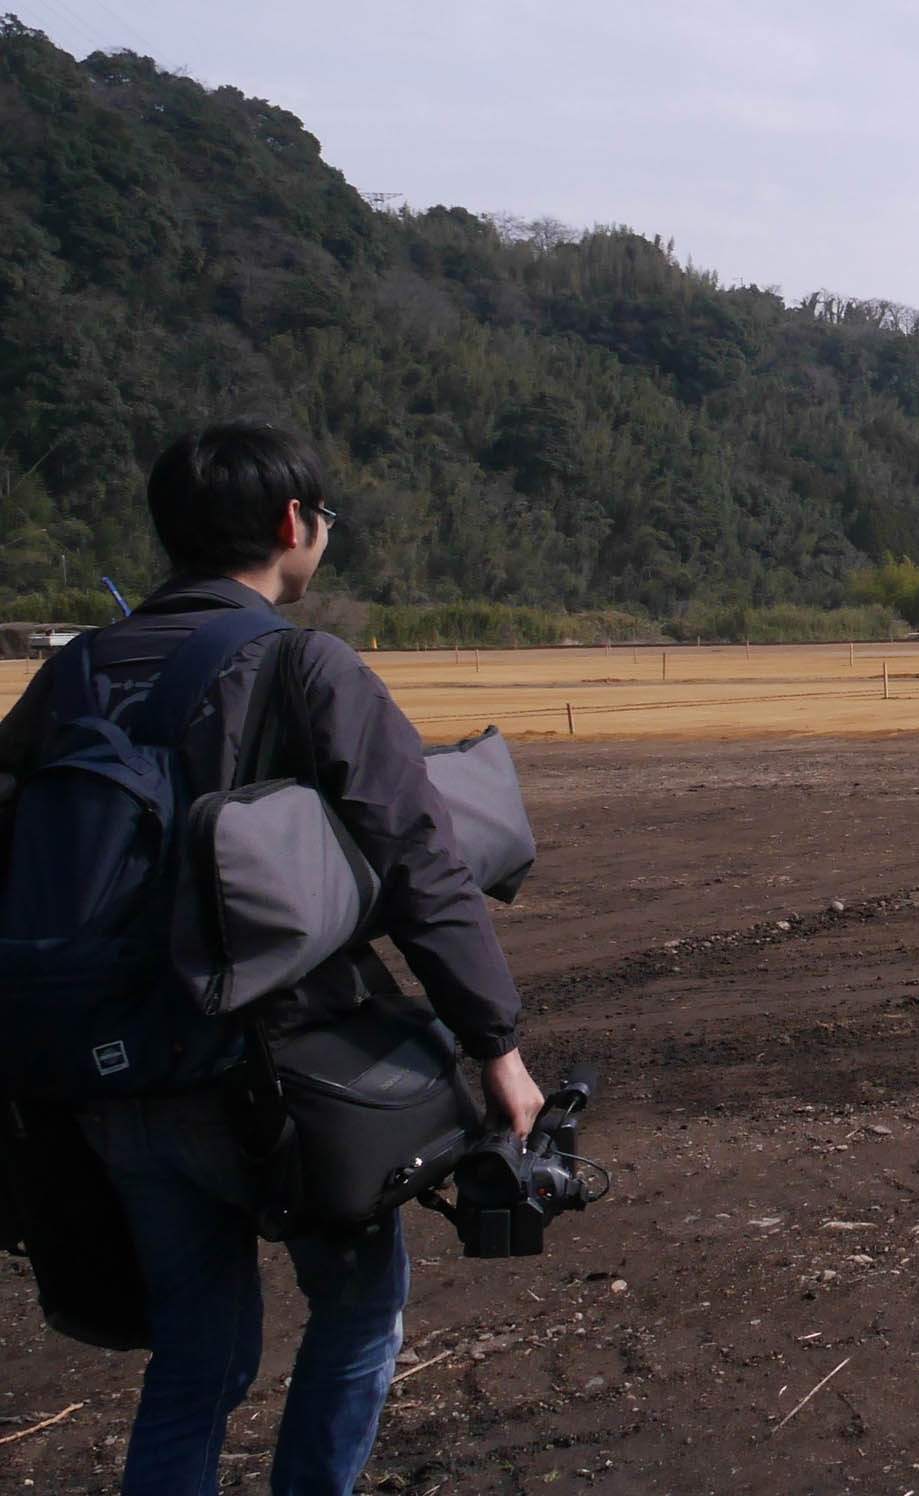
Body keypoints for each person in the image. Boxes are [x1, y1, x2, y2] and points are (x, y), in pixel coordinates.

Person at [0, 421, 543, 1495]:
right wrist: (498, 1043)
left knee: (196, 1358)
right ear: (296, 524)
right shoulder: (301, 661)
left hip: (110, 1080)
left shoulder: (75, 674)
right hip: (272, 1077)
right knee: (358, 1310)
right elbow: (418, 861)